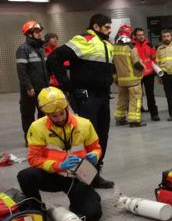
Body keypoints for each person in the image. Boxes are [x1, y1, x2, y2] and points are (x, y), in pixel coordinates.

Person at [17, 87, 102, 221]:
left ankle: (86, 198)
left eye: (62, 113)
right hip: (52, 175)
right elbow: (33, 158)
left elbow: (96, 148)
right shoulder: (37, 127)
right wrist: (58, 165)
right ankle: (36, 210)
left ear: (66, 107)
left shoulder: (84, 124)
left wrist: (95, 156)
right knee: (25, 176)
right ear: (46, 113)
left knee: (93, 215)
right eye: (54, 116)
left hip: (77, 175)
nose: (59, 118)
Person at [47, 13, 114, 188]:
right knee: (86, 137)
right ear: (96, 26)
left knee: (101, 137)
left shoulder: (107, 44)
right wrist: (66, 84)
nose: (110, 30)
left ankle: (94, 175)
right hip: (87, 98)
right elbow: (54, 58)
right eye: (107, 27)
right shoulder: (84, 40)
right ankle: (84, 178)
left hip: (103, 97)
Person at [16, 20, 49, 139]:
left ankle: (41, 136)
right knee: (28, 114)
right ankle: (30, 138)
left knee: (43, 113)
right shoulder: (23, 49)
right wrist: (28, 87)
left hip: (43, 87)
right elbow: (22, 70)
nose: (40, 33)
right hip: (30, 89)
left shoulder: (41, 48)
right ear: (29, 33)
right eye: (36, 31)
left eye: (40, 31)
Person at [113, 25, 145, 127]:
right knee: (135, 99)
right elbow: (137, 64)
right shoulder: (131, 48)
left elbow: (113, 65)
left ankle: (120, 119)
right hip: (133, 80)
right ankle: (134, 121)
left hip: (121, 80)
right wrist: (143, 68)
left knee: (122, 99)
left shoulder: (114, 48)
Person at [132, 27, 159, 121]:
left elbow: (154, 58)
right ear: (135, 36)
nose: (141, 36)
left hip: (149, 74)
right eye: (139, 35)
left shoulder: (149, 45)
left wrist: (155, 71)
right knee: (137, 95)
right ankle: (137, 115)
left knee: (150, 95)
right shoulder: (132, 46)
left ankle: (154, 114)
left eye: (142, 34)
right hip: (137, 74)